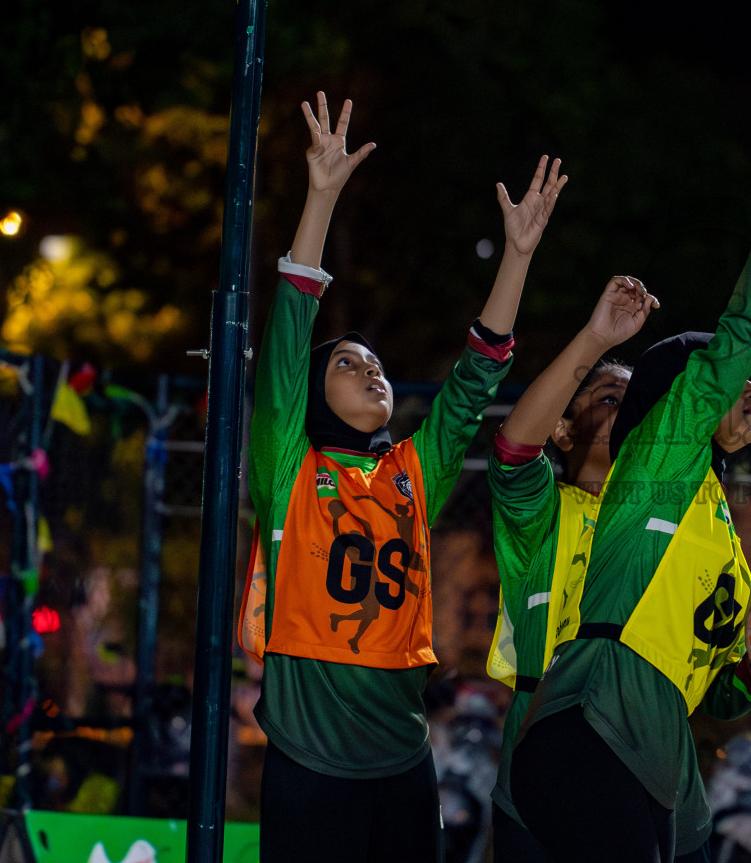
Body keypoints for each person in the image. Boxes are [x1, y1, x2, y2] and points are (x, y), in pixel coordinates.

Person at [511, 68, 751, 862]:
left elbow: (717, 696)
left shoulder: (725, 545)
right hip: (588, 731)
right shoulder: (657, 463)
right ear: (682, 400)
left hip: (658, 760)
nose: (750, 389)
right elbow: (749, 322)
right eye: (724, 378)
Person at [239, 91, 567, 863]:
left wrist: (518, 255)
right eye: (347, 365)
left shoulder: (414, 471)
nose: (370, 370)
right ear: (315, 399)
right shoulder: (290, 470)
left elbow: (476, 378)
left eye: (375, 363)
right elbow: (289, 340)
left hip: (403, 760)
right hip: (311, 765)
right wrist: (321, 196)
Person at [484, 277, 657, 862]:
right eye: (610, 399)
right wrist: (595, 337)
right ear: (562, 428)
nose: (626, 413)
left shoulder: (662, 527)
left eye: (636, 405)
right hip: (539, 750)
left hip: (637, 752)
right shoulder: (542, 513)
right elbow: (511, 451)